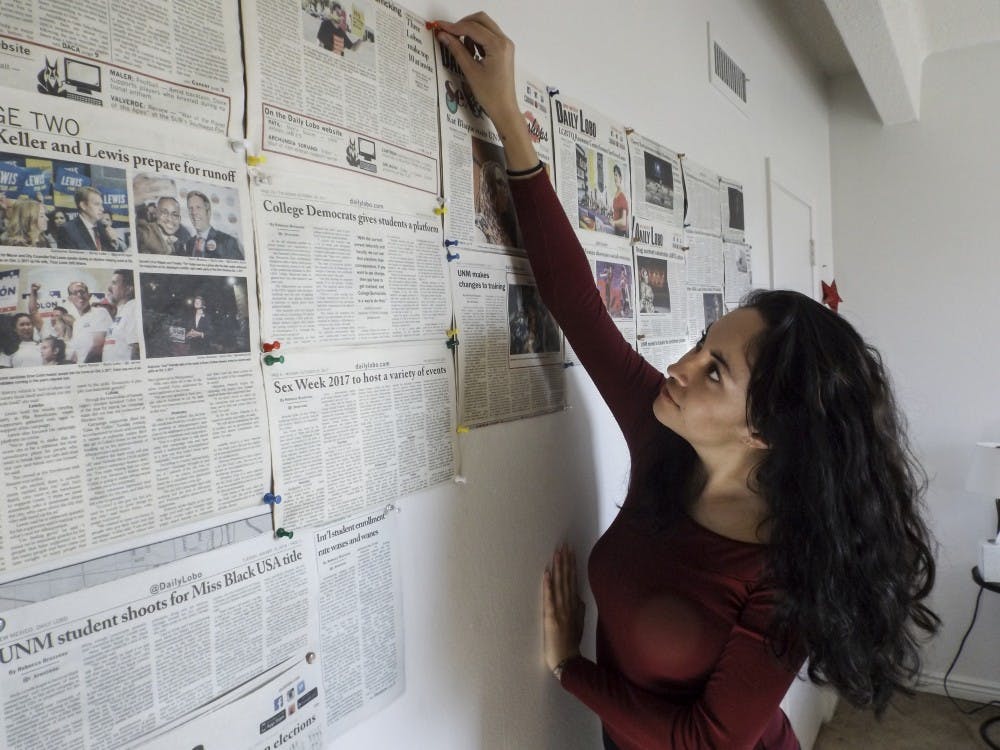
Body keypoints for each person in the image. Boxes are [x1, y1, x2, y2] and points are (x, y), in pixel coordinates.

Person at [435, 14, 940, 750]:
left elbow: (708, 739)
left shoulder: (786, 567)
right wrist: (508, 119)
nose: (678, 365)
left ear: (763, 427)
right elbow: (578, 305)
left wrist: (568, 666)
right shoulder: (664, 435)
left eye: (714, 370)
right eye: (703, 345)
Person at [56, 186, 125, 252]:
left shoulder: (103, 228)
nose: (102, 209)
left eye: (101, 205)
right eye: (97, 204)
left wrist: (114, 242)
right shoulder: (67, 230)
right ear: (83, 205)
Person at [180, 191, 244, 260]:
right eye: (190, 208)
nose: (194, 212)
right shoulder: (189, 243)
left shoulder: (228, 241)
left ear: (208, 211)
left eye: (198, 207)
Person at [65, 280, 111, 363]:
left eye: (82, 291)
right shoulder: (76, 323)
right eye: (75, 293)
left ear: (89, 295)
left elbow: (98, 347)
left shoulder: (99, 312)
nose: (80, 295)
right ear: (70, 299)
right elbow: (75, 354)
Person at [102, 269, 140, 361]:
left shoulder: (133, 307)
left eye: (114, 283)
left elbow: (137, 347)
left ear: (128, 289)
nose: (109, 288)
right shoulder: (121, 311)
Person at [611, 163, 629, 236]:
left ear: (621, 178)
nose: (615, 177)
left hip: (621, 232)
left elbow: (624, 222)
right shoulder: (616, 194)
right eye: (614, 175)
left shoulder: (622, 196)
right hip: (616, 229)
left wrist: (614, 222)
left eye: (617, 175)